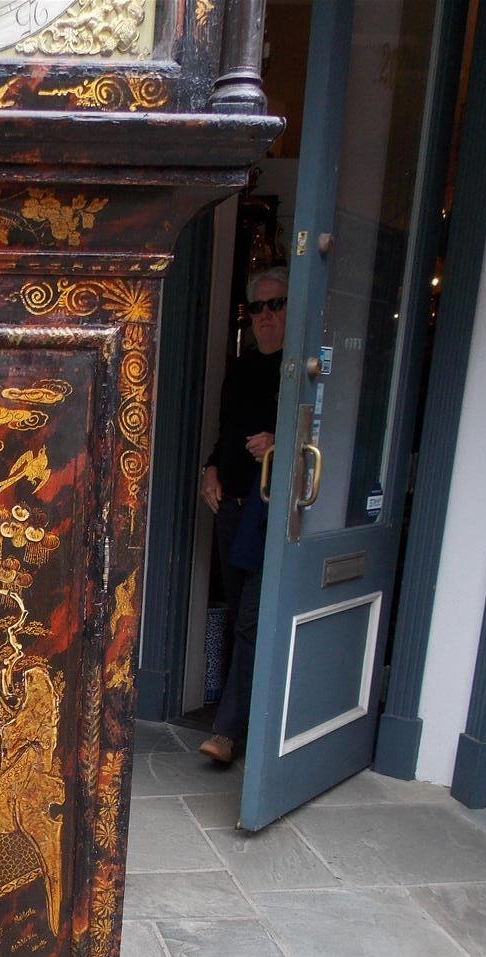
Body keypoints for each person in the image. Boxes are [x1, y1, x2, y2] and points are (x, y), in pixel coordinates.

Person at [198, 266, 287, 765]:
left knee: (251, 619)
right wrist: (210, 469)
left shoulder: (299, 371)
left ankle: (227, 732)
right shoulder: (242, 367)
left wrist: (281, 442)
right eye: (257, 307)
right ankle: (242, 718)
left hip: (269, 510)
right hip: (230, 508)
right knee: (238, 617)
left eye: (277, 305)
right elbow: (226, 432)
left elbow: (320, 435)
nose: (266, 316)